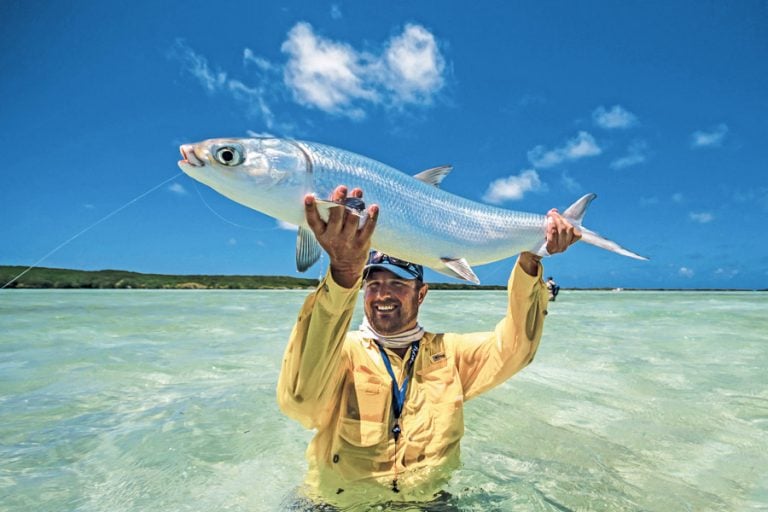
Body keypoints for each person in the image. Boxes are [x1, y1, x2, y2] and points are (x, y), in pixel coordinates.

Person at [277, 186, 581, 508]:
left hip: (429, 504)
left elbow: (517, 348)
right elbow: (299, 398)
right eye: (373, 284)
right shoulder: (343, 353)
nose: (383, 295)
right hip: (334, 506)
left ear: (421, 294)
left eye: (397, 284)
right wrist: (343, 275)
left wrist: (532, 254)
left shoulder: (451, 353)